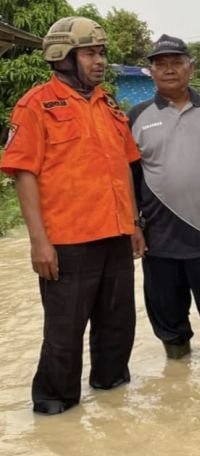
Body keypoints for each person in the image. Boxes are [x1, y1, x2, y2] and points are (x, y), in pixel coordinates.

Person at [0, 17, 144, 415]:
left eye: (101, 53)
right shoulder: (35, 104)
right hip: (66, 242)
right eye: (90, 53)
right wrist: (38, 241)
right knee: (64, 333)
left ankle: (113, 395)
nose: (100, 61)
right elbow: (23, 173)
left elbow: (125, 168)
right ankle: (54, 408)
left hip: (115, 236)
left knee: (118, 327)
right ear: (63, 57)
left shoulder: (109, 106)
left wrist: (133, 223)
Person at [129, 34, 200, 360]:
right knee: (168, 318)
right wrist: (133, 224)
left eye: (176, 62)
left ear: (190, 68)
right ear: (150, 71)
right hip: (159, 238)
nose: (169, 70)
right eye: (160, 64)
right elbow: (128, 178)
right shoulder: (136, 117)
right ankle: (177, 373)